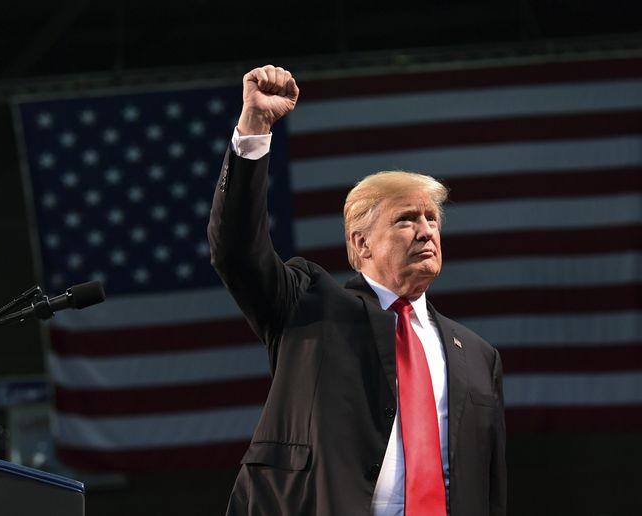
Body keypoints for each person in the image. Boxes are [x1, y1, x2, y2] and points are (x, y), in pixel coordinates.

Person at [208, 64, 506, 516]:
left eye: (431, 219)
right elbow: (236, 251)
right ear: (360, 243)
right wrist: (254, 129)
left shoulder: (479, 355)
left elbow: (489, 486)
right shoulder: (310, 306)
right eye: (407, 219)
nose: (426, 232)